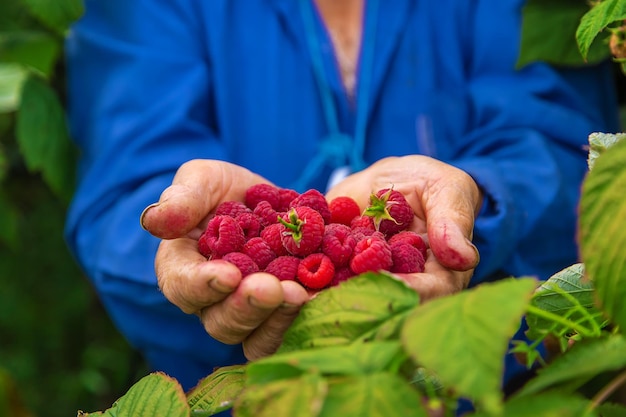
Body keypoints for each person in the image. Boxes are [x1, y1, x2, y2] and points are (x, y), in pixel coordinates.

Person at [64, 0, 620, 402]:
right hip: (247, 400)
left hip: (488, 390)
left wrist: (480, 197)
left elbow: (565, 147)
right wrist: (182, 244)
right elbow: (123, 186)